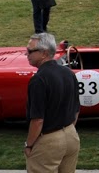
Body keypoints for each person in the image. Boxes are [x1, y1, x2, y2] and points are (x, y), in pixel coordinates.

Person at [23, 33, 79, 173]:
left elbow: (37, 120)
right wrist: (67, 131)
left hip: (49, 139)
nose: (26, 54)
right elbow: (76, 109)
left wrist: (29, 145)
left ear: (44, 53)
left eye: (30, 51)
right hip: (71, 134)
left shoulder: (39, 80)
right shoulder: (68, 73)